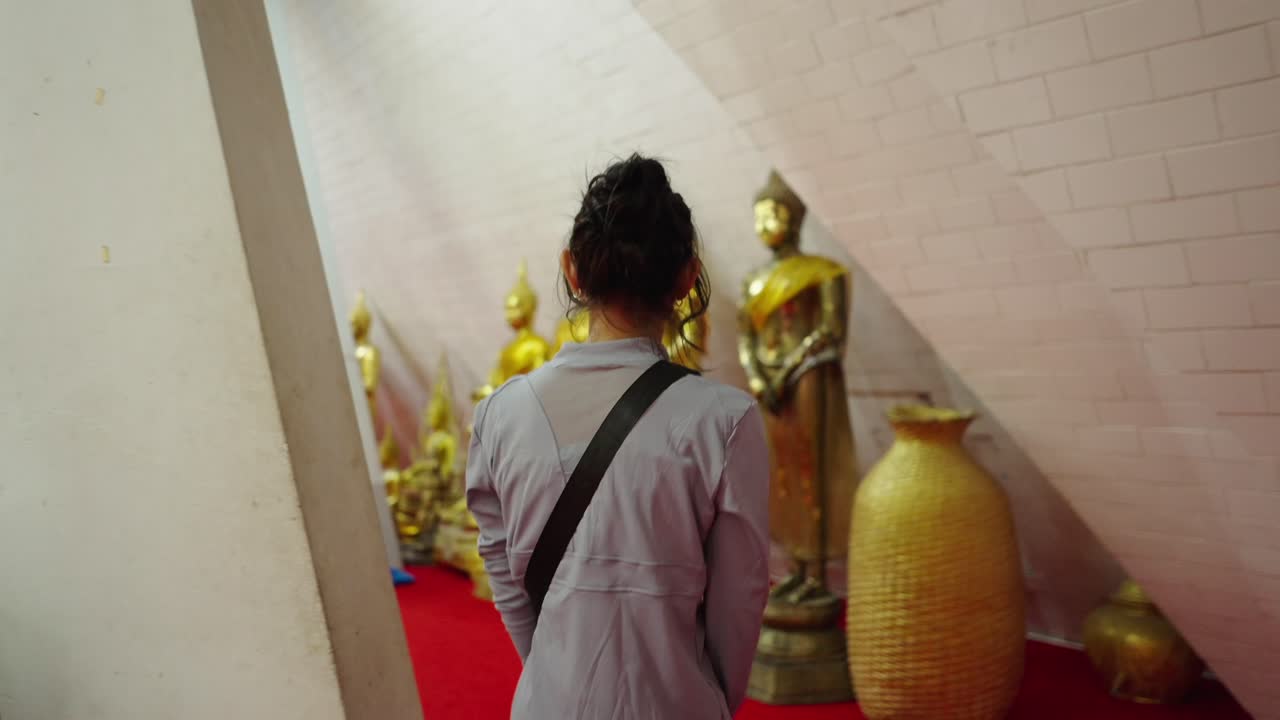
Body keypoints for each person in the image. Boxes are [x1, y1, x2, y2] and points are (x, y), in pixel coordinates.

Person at [465, 154, 771, 719]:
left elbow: (509, 580)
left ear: (572, 272)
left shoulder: (499, 416)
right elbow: (741, 603)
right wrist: (703, 696)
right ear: (686, 277)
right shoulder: (724, 421)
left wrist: (563, 668)